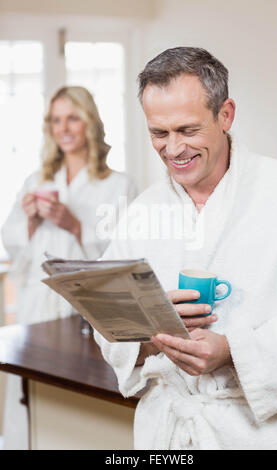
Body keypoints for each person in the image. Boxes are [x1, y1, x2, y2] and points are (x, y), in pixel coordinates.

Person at [94, 47, 277, 450]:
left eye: (188, 130)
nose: (173, 150)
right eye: (159, 133)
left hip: (259, 435)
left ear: (226, 115)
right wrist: (151, 341)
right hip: (166, 432)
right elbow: (108, 325)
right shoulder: (142, 211)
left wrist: (232, 352)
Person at [1, 85, 137, 449]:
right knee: (26, 389)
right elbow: (13, 241)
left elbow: (125, 257)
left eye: (73, 118)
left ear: (90, 123)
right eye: (56, 120)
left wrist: (74, 225)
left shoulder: (119, 186)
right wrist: (30, 222)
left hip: (83, 310)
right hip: (36, 304)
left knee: (78, 395)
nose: (64, 128)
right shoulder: (37, 181)